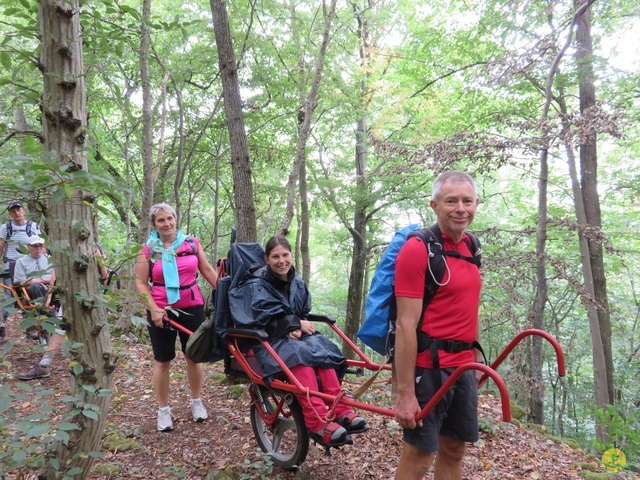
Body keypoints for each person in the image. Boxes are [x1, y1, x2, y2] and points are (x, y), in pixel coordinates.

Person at [228, 235, 367, 447]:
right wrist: (289, 325)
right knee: (300, 358)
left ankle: (340, 409)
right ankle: (316, 421)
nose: (281, 260)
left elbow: (302, 312)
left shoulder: (297, 282)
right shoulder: (256, 285)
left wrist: (297, 323)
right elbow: (256, 318)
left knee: (323, 353)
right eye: (275, 256)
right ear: (266, 259)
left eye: (285, 255)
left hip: (294, 337)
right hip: (266, 340)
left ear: (291, 255)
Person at [393, 171, 484, 480]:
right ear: (434, 205)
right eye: (451, 201)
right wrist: (404, 392)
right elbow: (405, 325)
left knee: (455, 448)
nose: (460, 208)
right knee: (419, 454)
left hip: (462, 367)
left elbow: (469, 308)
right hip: (427, 369)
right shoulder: (418, 250)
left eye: (467, 201)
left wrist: (476, 360)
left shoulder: (472, 246)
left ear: (476, 204)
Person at [135, 203, 218, 432]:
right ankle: (163, 410)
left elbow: (208, 271)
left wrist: (227, 293)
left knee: (194, 356)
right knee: (163, 360)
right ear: (154, 224)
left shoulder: (191, 243)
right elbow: (141, 282)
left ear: (176, 219)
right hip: (161, 310)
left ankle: (196, 402)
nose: (167, 223)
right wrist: (153, 309)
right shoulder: (148, 249)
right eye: (161, 220)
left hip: (192, 306)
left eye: (170, 218)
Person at [14, 236, 64, 380]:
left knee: (42, 285)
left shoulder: (49, 259)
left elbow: (54, 278)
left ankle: (44, 363)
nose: (38, 248)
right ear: (29, 246)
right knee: (35, 286)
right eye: (35, 246)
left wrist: (42, 281)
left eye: (40, 246)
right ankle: (51, 318)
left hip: (51, 289)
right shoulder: (21, 261)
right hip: (32, 291)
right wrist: (35, 281)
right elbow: (19, 280)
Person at [0, 202, 41, 340]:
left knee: (29, 296)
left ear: (23, 211)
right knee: (9, 296)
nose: (17, 213)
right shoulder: (5, 228)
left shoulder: (33, 227)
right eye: (13, 211)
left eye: (18, 210)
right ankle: (2, 326)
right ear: (10, 214)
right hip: (10, 266)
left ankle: (30, 327)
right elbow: (0, 246)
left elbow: (40, 246)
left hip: (29, 266)